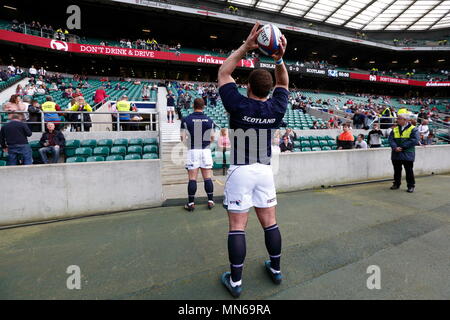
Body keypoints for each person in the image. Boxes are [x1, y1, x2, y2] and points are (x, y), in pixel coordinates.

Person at [218, 22, 288, 298]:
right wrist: (279, 58)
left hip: (241, 170)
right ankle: (276, 268)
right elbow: (283, 81)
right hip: (264, 171)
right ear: (269, 89)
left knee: (238, 226)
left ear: (247, 86)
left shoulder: (237, 103)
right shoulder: (276, 107)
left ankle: (235, 282)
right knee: (270, 222)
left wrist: (246, 47)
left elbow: (224, 72)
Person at [180, 98, 216, 211]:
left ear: (192, 106)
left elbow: (182, 137)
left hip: (193, 150)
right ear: (204, 106)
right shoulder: (209, 120)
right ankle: (210, 201)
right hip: (205, 150)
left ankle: (191, 204)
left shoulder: (186, 119)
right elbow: (212, 138)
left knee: (192, 178)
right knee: (207, 177)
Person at [388, 114, 419, 193]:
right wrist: (395, 148)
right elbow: (391, 140)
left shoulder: (413, 129)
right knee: (397, 170)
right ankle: (396, 184)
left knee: (409, 171)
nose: (397, 120)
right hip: (396, 153)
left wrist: (401, 147)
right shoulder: (395, 129)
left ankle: (411, 186)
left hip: (407, 153)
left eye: (399, 119)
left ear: (405, 120)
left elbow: (414, 140)